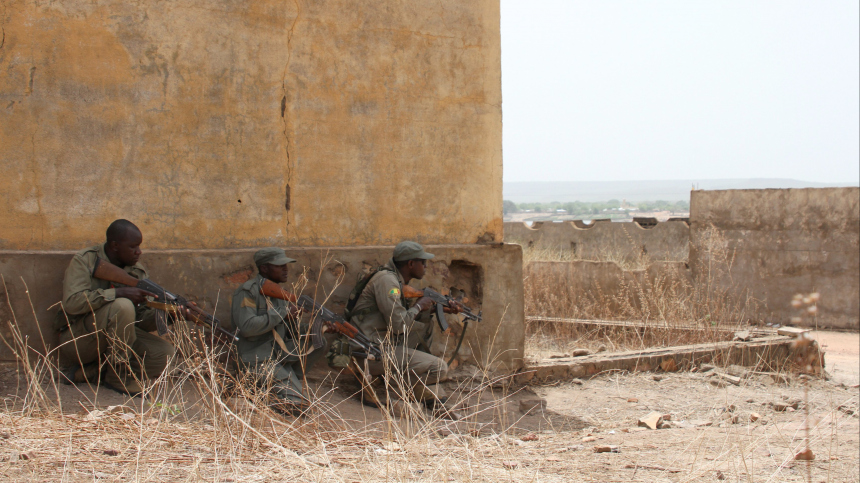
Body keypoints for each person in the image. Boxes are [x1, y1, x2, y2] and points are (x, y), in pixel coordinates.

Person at [55, 219, 176, 395]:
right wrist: (119, 293)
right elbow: (72, 303)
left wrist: (170, 315)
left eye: (139, 246)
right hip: (79, 339)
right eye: (133, 247)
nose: (139, 252)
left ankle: (92, 374)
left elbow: (140, 320)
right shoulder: (86, 260)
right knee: (123, 306)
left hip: (117, 341)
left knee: (164, 353)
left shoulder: (136, 271)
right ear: (115, 245)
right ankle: (120, 377)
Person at [347, 241, 461, 418]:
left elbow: (402, 319)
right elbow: (399, 324)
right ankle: (385, 384)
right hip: (371, 351)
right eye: (422, 262)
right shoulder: (388, 282)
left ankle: (388, 379)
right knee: (439, 368)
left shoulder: (396, 280)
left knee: (424, 325)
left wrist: (436, 308)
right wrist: (418, 307)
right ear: (410, 264)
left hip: (384, 343)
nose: (425, 266)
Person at [231, 247, 317, 413]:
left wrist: (318, 328)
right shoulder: (248, 291)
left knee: (317, 341)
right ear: (264, 268)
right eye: (280, 265)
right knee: (299, 407)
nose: (286, 269)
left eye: (286, 265)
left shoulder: (279, 293)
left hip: (277, 356)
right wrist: (283, 312)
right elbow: (247, 327)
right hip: (256, 359)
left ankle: (283, 381)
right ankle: (252, 390)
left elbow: (289, 331)